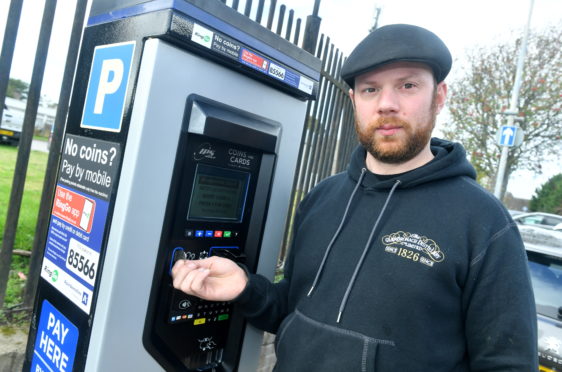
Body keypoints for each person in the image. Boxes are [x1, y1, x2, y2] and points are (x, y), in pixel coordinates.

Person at [172, 24, 538, 371]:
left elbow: (506, 362)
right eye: (370, 89)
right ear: (353, 100)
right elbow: (292, 310)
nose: (387, 104)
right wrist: (245, 289)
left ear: (439, 96)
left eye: (408, 85)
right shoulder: (322, 198)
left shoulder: (483, 221)